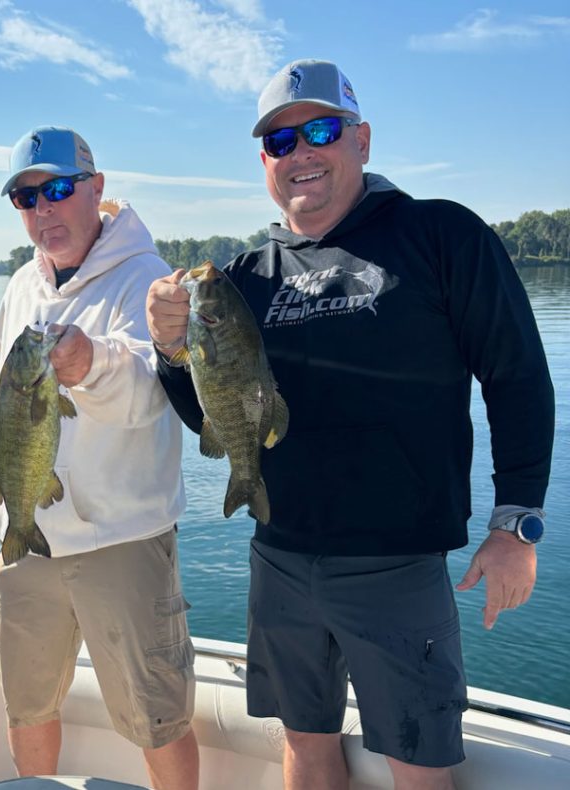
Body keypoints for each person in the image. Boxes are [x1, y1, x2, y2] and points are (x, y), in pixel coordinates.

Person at [146, 59, 554, 790]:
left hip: (397, 565)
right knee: (304, 744)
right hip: (279, 555)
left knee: (418, 764)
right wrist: (173, 353)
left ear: (361, 140)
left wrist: (515, 522)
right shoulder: (244, 276)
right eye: (279, 142)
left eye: (321, 130)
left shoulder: (440, 234)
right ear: (265, 163)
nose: (300, 152)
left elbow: (518, 376)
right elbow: (211, 410)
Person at [0, 126, 200, 790]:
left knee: (158, 717)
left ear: (96, 188)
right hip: (24, 541)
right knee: (28, 705)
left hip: (123, 540)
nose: (44, 210)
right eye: (26, 198)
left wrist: (89, 363)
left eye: (59, 189)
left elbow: (153, 391)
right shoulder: (20, 287)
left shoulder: (145, 278)